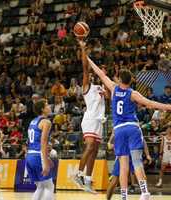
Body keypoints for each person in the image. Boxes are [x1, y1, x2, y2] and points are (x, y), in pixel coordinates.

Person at [79, 40, 171, 200]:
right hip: (133, 128)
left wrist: (86, 56)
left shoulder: (114, 89)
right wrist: (169, 107)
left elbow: (100, 74)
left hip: (119, 130)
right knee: (136, 162)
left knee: (123, 165)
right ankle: (144, 192)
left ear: (120, 79)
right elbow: (151, 104)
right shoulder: (133, 93)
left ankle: (124, 196)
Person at [73, 39, 106, 193]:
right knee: (90, 146)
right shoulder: (87, 87)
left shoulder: (101, 86)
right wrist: (83, 49)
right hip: (90, 119)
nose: (91, 75)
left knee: (94, 151)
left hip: (99, 121)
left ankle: (87, 179)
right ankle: (78, 174)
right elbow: (85, 68)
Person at [107, 132, 152, 200]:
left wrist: (147, 154)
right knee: (114, 181)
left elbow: (143, 141)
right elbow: (110, 144)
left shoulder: (134, 127)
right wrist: (110, 143)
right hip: (122, 156)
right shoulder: (119, 127)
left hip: (133, 155)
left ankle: (144, 193)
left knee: (143, 176)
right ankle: (108, 199)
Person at [26, 99, 54, 200]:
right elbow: (43, 143)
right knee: (49, 187)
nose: (49, 107)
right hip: (38, 156)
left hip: (30, 156)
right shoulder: (46, 122)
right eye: (47, 105)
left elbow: (29, 142)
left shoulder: (32, 121)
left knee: (40, 187)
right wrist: (45, 161)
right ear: (43, 109)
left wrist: (47, 158)